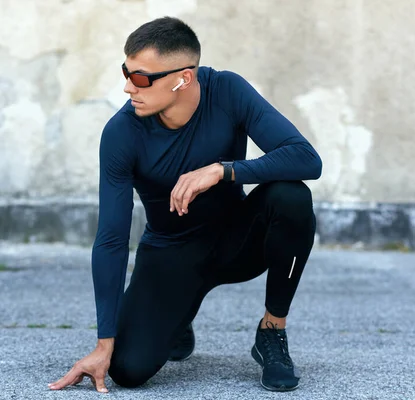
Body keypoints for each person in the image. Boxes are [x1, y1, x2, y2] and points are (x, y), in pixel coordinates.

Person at [49, 16, 322, 393]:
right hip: (170, 253)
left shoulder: (226, 90)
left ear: (184, 78)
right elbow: (111, 239)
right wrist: (104, 343)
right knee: (127, 371)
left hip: (236, 242)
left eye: (142, 78)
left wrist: (222, 171)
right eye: (126, 72)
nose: (129, 87)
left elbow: (307, 159)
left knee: (291, 196)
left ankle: (272, 330)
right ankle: (179, 316)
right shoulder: (122, 132)